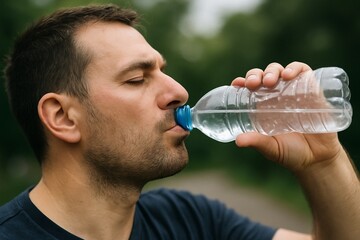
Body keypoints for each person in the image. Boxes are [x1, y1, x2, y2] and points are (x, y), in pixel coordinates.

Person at [0, 4, 359, 240]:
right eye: (137, 79)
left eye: (163, 71)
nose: (179, 92)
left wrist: (323, 163)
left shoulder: (190, 221)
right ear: (63, 117)